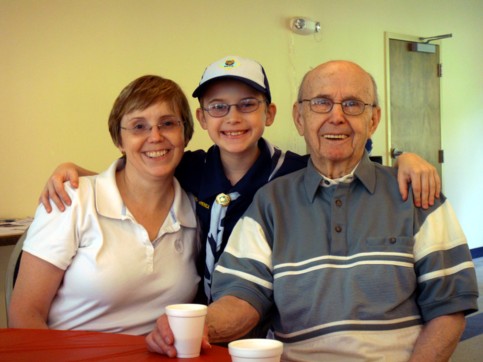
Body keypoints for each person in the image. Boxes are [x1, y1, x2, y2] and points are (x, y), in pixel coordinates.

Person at [38, 56, 441, 306]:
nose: (232, 118)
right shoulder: (189, 168)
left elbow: (345, 162)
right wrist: (73, 170)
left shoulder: (294, 171)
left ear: (270, 113)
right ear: (201, 119)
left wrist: (405, 158)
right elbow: (137, 169)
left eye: (248, 105)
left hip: (270, 310)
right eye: (218, 107)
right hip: (202, 313)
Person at [146, 60, 479, 360]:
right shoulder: (270, 200)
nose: (336, 116)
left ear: (373, 119)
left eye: (352, 104)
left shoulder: (418, 194)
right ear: (299, 117)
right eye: (320, 103)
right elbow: (243, 296)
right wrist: (199, 326)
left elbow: (448, 308)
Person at [8, 75, 200, 335]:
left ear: (185, 133)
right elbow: (25, 315)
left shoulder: (197, 212)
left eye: (167, 123)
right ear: (119, 141)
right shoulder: (72, 200)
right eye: (138, 126)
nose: (155, 136)